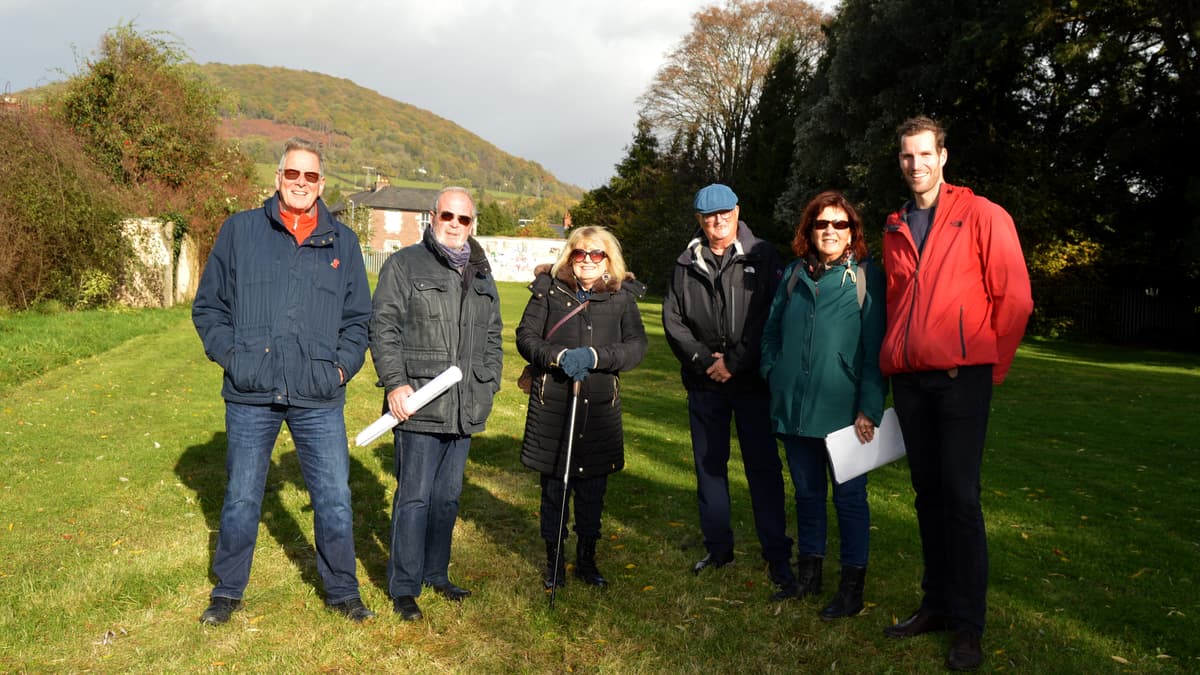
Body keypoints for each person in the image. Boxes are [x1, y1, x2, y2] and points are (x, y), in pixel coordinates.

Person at [191, 137, 375, 625]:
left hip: (317, 393)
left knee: (334, 498)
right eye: (292, 174)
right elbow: (210, 307)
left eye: (310, 176)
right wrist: (233, 358)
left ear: (322, 184)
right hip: (252, 390)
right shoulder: (241, 231)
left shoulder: (343, 242)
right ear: (277, 178)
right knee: (241, 497)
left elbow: (359, 320)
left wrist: (339, 368)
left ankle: (343, 592)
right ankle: (228, 591)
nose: (300, 183)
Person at [879, 116, 1033, 671]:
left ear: (943, 156)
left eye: (924, 154)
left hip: (963, 378)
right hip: (912, 382)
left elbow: (1014, 299)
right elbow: (898, 304)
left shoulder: (982, 215)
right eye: (905, 157)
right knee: (927, 497)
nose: (915, 165)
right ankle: (936, 605)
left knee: (961, 500)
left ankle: (968, 626)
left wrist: (990, 368)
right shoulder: (895, 225)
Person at [368, 186, 504, 621]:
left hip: (464, 405)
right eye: (448, 216)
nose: (455, 225)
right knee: (415, 498)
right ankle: (404, 586)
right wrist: (394, 383)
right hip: (419, 403)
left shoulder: (482, 272)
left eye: (464, 219)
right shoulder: (403, 264)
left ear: (473, 223)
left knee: (447, 499)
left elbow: (494, 335)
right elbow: (383, 327)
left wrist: (489, 384)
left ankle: (435, 573)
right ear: (433, 216)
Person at [662, 183, 796, 599]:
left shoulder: (763, 255)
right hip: (704, 383)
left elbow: (770, 317)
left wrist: (734, 362)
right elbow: (674, 321)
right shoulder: (685, 262)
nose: (716, 222)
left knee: (763, 468)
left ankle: (777, 556)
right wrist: (706, 362)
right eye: (708, 216)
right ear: (699, 219)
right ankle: (719, 549)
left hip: (752, 381)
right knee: (709, 467)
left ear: (737, 211)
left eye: (723, 214)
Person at [760, 191, 887, 620]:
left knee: (849, 499)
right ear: (809, 230)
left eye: (839, 224)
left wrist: (869, 406)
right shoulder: (795, 274)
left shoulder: (867, 277)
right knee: (808, 495)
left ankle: (851, 590)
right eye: (821, 224)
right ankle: (808, 578)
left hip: (845, 412)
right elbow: (771, 332)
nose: (829, 231)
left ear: (852, 232)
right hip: (795, 409)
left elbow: (875, 351)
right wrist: (772, 370)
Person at [516, 226, 647, 591]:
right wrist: (556, 357)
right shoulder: (548, 291)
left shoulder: (621, 297)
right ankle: (554, 561)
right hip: (554, 405)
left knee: (592, 491)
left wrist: (595, 356)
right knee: (555, 488)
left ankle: (587, 559)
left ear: (608, 259)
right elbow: (526, 337)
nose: (587, 260)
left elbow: (636, 346)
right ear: (570, 255)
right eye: (580, 253)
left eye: (596, 254)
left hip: (599, 408)